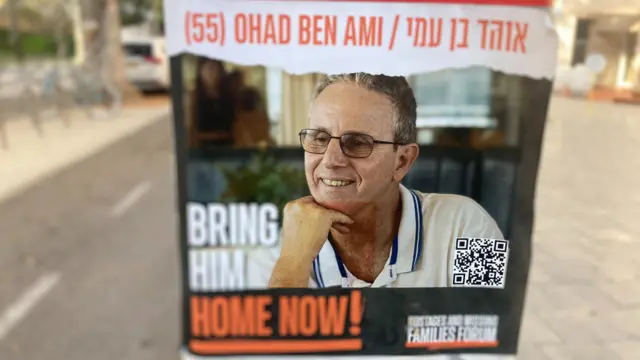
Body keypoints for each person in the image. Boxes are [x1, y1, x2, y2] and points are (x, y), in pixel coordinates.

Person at [267, 73, 504, 288]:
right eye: (319, 138)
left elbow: (496, 326)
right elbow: (264, 334)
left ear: (402, 161)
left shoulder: (469, 225)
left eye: (358, 143)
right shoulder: (280, 250)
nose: (330, 160)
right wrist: (292, 264)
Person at [188, 57, 235, 148]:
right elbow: (191, 128)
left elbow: (236, 124)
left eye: (215, 69)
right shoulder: (194, 97)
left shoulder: (228, 96)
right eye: (208, 69)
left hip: (228, 148)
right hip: (202, 150)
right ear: (200, 72)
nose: (212, 73)